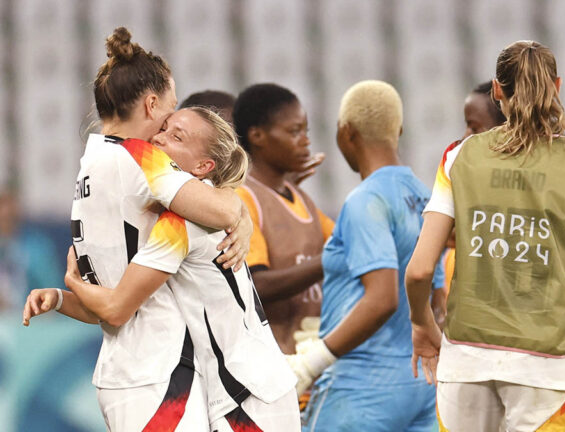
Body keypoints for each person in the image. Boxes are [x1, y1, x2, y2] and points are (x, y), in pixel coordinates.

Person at [22, 27, 252, 431]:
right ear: (150, 105)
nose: (170, 122)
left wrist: (62, 296)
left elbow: (108, 304)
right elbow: (220, 207)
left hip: (125, 369)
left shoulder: (90, 166)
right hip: (157, 371)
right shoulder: (141, 159)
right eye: (171, 106)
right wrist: (242, 219)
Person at [28, 107, 300, 431]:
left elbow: (116, 308)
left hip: (247, 391)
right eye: (165, 128)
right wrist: (60, 299)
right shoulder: (207, 207)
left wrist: (73, 281)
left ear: (203, 167)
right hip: (242, 385)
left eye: (176, 137)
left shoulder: (182, 221)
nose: (158, 138)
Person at [406, 40, 565, 431]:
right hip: (551, 368)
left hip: (465, 364)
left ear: (496, 90)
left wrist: (423, 323)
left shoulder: (458, 157)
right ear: (556, 86)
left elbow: (419, 271)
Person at [291, 80, 443, 431]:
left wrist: (312, 362)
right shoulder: (426, 199)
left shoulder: (366, 201)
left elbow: (382, 298)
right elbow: (439, 300)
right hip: (420, 388)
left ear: (347, 134)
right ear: (399, 130)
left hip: (358, 391)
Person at [232, 83, 333, 356]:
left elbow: (343, 241)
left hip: (317, 365)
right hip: (275, 365)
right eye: (294, 131)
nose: (306, 141)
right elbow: (256, 285)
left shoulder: (301, 197)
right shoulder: (243, 198)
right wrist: (330, 260)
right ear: (258, 136)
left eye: (306, 131)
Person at [439, 80, 508, 321]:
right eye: (466, 126)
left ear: (505, 130)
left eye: (474, 128)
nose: (465, 136)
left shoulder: (517, 205)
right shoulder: (465, 188)